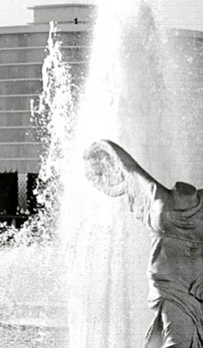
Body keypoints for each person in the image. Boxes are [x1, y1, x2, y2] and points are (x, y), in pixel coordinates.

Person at [84, 140, 203, 347]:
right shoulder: (163, 206)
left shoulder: (171, 206)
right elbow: (131, 169)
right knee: (178, 339)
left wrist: (105, 150)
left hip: (189, 285)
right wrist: (103, 150)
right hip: (170, 287)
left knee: (180, 337)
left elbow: (131, 169)